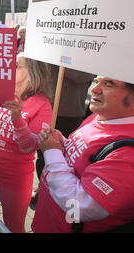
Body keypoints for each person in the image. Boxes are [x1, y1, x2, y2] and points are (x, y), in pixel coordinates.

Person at [32, 65, 134, 233]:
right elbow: (83, 157)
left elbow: (78, 206)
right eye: (97, 80)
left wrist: (52, 151)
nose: (94, 89)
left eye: (109, 84)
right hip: (48, 222)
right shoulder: (105, 115)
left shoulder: (132, 156)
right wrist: (61, 143)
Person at [0, 53, 53, 233]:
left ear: (32, 72)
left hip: (15, 177)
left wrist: (17, 119)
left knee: (13, 227)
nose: (8, 68)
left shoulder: (42, 105)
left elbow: (30, 146)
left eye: (16, 66)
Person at [30, 66, 94, 208]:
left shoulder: (87, 53)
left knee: (67, 156)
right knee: (43, 154)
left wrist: (62, 63)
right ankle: (42, 189)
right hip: (48, 109)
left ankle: (63, 193)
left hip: (71, 113)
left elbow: (85, 77)